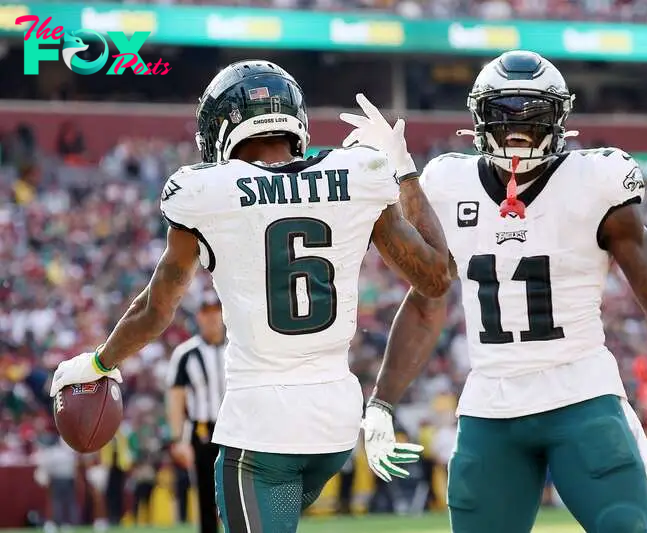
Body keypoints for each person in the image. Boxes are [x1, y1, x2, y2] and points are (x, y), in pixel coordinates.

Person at [355, 50, 647, 533]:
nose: (519, 131)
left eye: (533, 118)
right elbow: (428, 301)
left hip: (581, 394)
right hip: (492, 404)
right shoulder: (448, 183)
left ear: (559, 121)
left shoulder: (593, 182)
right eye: (505, 116)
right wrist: (382, 401)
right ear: (478, 119)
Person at [49, 60, 450, 533]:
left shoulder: (205, 191)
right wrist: (405, 171)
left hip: (261, 429)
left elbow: (156, 309)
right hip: (336, 425)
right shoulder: (359, 173)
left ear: (221, 129)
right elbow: (437, 278)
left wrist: (99, 361)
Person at [166, 291, 226, 533]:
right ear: (198, 317)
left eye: (215, 312)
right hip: (201, 429)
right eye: (206, 313)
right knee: (205, 493)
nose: (211, 318)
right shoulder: (186, 354)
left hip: (235, 428)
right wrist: (178, 438)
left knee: (237, 492)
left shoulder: (237, 348)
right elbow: (175, 397)